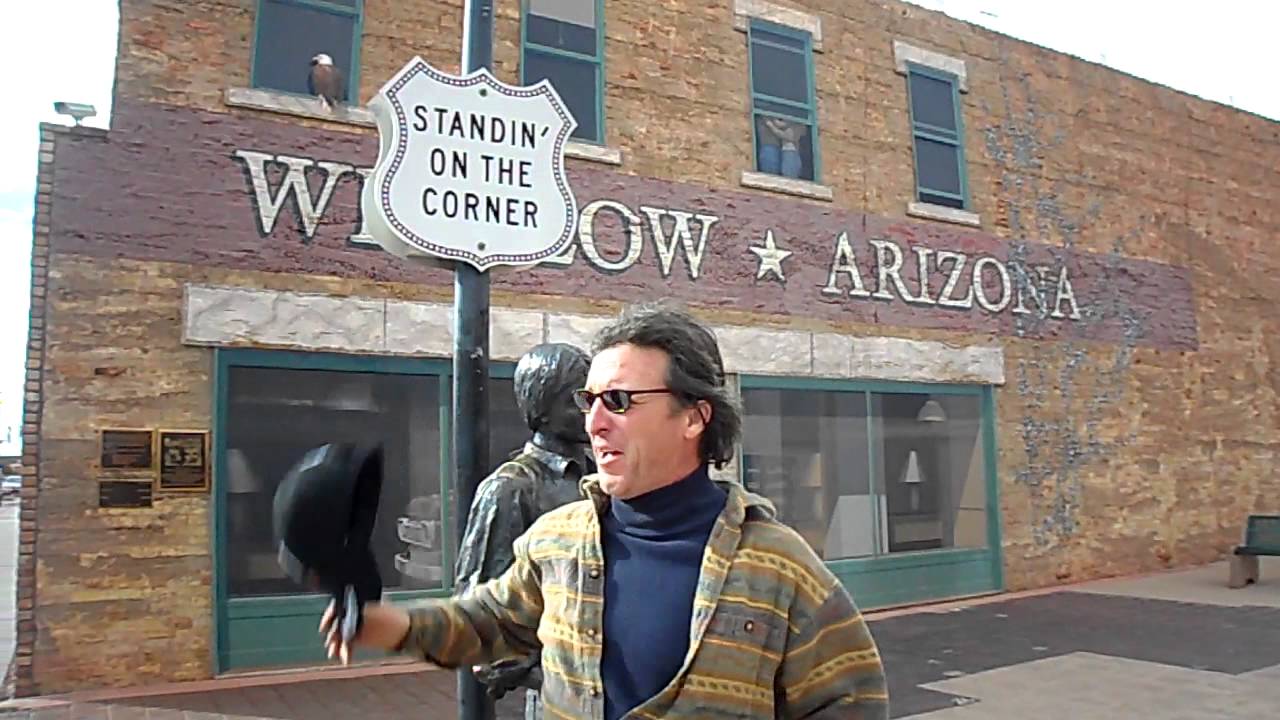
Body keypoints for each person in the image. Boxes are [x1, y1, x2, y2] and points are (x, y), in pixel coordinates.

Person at [321, 302, 889, 719]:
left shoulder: (778, 567)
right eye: (588, 401)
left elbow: (850, 703)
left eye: (618, 401)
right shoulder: (558, 540)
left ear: (695, 416)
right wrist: (386, 624)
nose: (594, 422)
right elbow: (489, 621)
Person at [453, 342, 595, 718]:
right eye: (577, 400)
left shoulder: (603, 478)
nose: (591, 410)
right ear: (542, 410)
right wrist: (555, 679)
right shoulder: (510, 489)